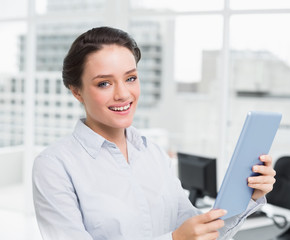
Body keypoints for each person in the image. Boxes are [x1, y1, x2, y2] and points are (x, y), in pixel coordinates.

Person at [32, 26, 276, 240]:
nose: (123, 94)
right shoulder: (54, 166)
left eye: (130, 78)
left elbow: (201, 233)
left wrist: (249, 198)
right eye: (104, 83)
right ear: (76, 91)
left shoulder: (153, 153)